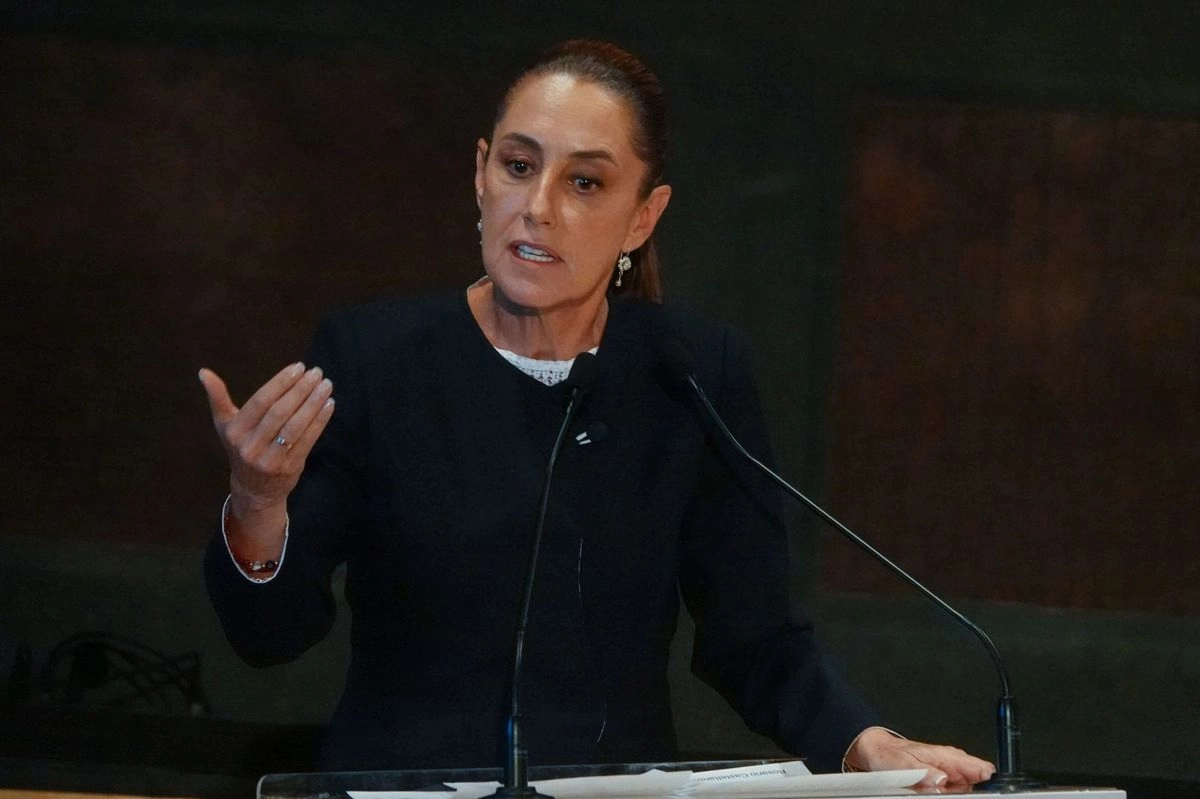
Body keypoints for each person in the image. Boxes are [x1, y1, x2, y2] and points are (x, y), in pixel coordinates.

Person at [200, 40, 995, 789]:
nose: (537, 207)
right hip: (399, 788)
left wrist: (866, 744)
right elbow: (270, 637)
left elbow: (755, 638)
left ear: (643, 216)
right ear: (482, 175)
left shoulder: (689, 370)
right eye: (518, 166)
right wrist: (258, 505)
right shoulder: (374, 357)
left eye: (585, 183)